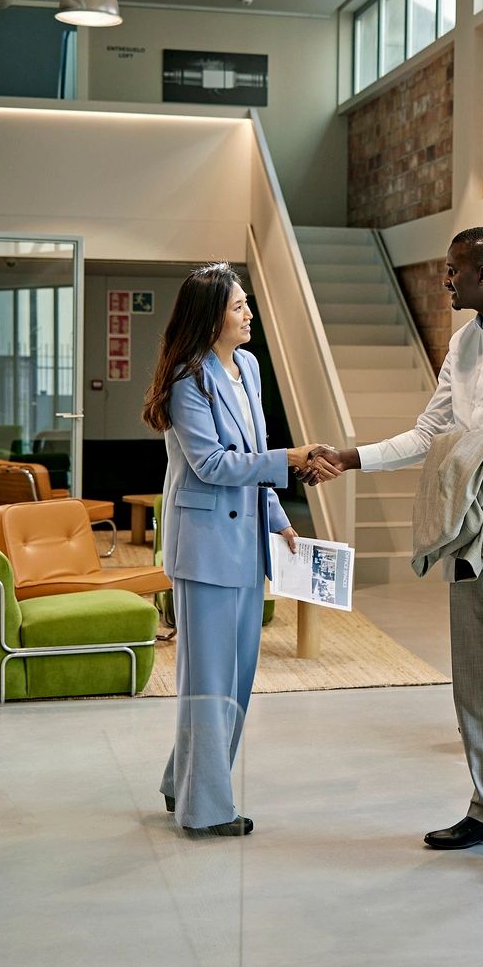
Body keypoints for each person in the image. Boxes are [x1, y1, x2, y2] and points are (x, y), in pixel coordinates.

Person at [312, 228, 483, 884]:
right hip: (468, 517)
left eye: (453, 272)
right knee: (472, 670)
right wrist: (350, 458)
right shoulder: (463, 344)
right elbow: (429, 431)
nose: (446, 282)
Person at [145, 262, 339, 836]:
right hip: (204, 548)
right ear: (210, 318)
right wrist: (291, 459)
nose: (248, 313)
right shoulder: (187, 380)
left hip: (247, 542)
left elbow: (250, 451)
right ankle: (206, 810)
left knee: (237, 677)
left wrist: (279, 520)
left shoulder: (248, 368)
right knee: (208, 680)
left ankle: (182, 783)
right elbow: (210, 464)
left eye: (247, 303)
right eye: (238, 306)